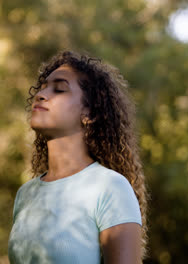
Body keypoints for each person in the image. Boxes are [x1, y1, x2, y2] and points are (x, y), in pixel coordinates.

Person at [8, 50, 149, 263]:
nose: (41, 94)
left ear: (88, 114)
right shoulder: (25, 195)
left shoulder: (110, 188)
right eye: (42, 87)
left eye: (60, 89)